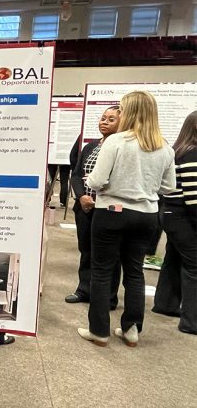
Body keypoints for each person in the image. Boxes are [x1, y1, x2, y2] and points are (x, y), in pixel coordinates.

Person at [78, 91, 176, 348]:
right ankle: (132, 329)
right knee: (135, 272)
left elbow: (96, 181)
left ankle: (99, 331)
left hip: (111, 211)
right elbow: (169, 187)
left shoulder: (116, 141)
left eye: (121, 109)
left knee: (102, 271)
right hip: (146, 216)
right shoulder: (164, 146)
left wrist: (101, 184)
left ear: (129, 112)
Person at [65, 106, 122, 307]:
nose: (104, 122)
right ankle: (84, 289)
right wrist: (81, 197)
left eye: (111, 119)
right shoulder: (90, 146)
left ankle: (108, 296)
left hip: (108, 209)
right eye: (103, 118)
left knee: (109, 255)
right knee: (86, 250)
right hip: (85, 208)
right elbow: (76, 174)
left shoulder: (121, 148)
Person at [153, 111, 197, 335]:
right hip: (183, 216)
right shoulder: (192, 154)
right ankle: (192, 321)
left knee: (174, 258)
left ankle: (165, 304)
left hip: (170, 213)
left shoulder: (178, 151)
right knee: (194, 265)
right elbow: (193, 197)